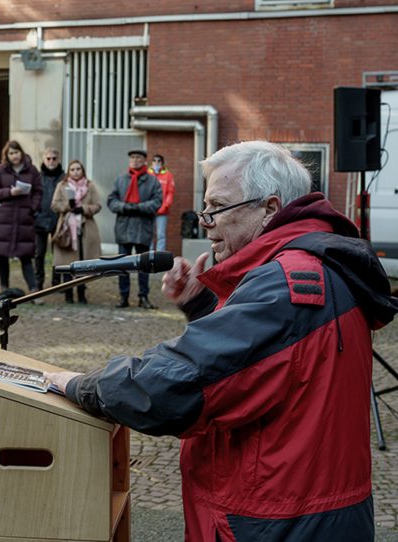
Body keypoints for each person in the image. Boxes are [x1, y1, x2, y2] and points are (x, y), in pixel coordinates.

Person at [47, 141, 398, 542]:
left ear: (269, 209)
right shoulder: (316, 265)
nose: (205, 221)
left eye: (217, 207)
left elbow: (172, 387)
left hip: (274, 522)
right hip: (311, 512)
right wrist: (201, 304)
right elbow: (262, 366)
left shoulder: (284, 285)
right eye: (204, 208)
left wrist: (77, 385)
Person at [107, 148, 162, 309]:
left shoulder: (153, 181)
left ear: (144, 160)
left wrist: (139, 207)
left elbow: (157, 201)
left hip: (142, 228)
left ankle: (143, 296)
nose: (135, 160)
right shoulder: (121, 179)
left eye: (138, 158)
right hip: (124, 228)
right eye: (132, 158)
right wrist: (124, 207)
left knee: (144, 266)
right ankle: (123, 296)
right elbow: (111, 200)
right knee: (121, 265)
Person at [0, 140, 42, 296]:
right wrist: (9, 193)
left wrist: (33, 206)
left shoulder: (31, 171)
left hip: (24, 218)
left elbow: (38, 191)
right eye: (11, 153)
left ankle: (33, 289)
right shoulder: (0, 171)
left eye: (16, 152)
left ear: (21, 153)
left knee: (26, 255)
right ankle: (4, 288)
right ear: (7, 155)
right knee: (2, 254)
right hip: (3, 219)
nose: (14, 156)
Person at [50, 160, 102, 304]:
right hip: (67, 228)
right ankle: (68, 294)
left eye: (78, 169)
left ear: (83, 170)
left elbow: (98, 205)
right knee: (67, 261)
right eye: (72, 169)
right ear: (68, 171)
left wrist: (84, 209)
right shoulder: (62, 185)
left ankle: (81, 292)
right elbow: (54, 205)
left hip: (85, 227)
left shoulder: (90, 186)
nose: (75, 172)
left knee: (83, 262)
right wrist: (68, 205)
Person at [34, 147, 64, 290]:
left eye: (54, 158)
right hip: (40, 219)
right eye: (48, 158)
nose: (51, 161)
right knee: (39, 253)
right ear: (43, 159)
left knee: (58, 253)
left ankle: (56, 281)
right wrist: (34, 214)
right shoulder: (37, 177)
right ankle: (38, 282)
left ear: (58, 160)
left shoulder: (64, 177)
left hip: (58, 220)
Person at [151, 154, 175, 251]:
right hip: (149, 211)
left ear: (162, 163)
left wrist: (166, 205)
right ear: (151, 162)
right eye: (154, 161)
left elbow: (170, 192)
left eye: (159, 161)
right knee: (150, 235)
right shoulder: (148, 174)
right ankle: (149, 255)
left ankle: (159, 258)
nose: (156, 163)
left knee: (161, 235)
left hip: (162, 211)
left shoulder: (168, 175)